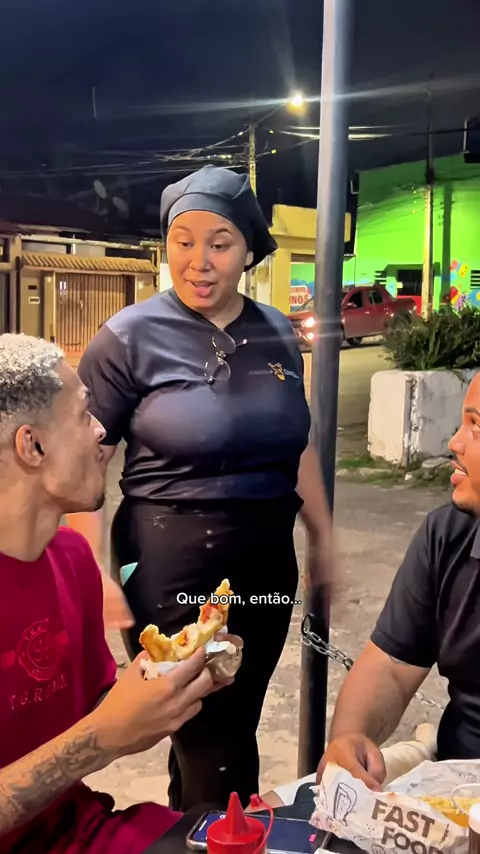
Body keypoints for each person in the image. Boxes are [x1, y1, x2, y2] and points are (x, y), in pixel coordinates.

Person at [67, 165, 336, 811]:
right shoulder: (128, 337)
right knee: (211, 736)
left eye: (219, 243)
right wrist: (93, 574)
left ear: (249, 250)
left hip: (266, 558)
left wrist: (323, 536)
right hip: (168, 559)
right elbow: (83, 462)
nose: (199, 261)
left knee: (227, 722)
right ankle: (229, 839)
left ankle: (190, 834)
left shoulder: (277, 332)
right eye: (182, 242)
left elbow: (293, 441)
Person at [0, 332, 234, 853]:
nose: (102, 430)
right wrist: (99, 739)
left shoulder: (71, 557)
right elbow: (99, 732)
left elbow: (98, 707)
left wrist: (172, 675)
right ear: (32, 446)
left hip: (78, 831)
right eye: (83, 415)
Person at [317, 371, 480, 791]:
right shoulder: (447, 536)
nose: (454, 442)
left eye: (476, 427)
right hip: (452, 784)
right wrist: (348, 742)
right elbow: (391, 667)